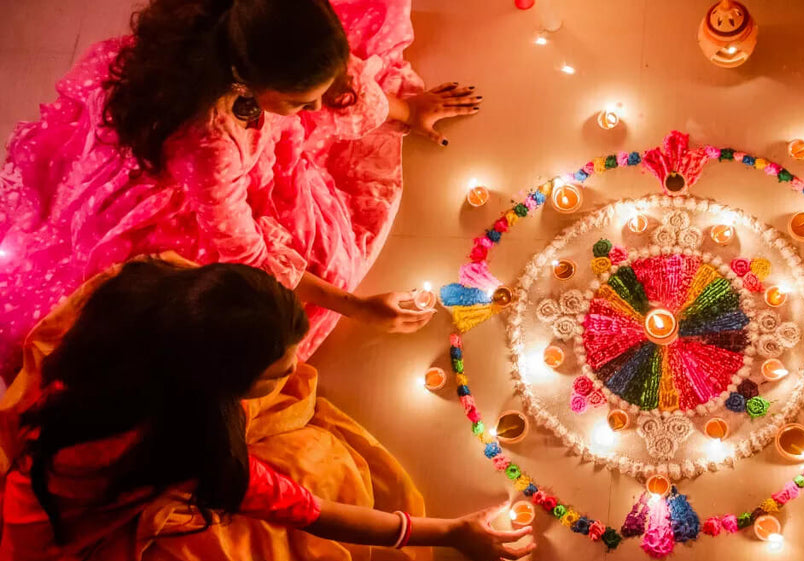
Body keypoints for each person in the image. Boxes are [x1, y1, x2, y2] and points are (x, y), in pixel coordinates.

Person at [0, 0, 479, 385]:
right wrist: (356, 306)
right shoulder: (209, 144)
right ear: (243, 82)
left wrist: (406, 111)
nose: (316, 110)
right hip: (190, 197)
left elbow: (340, 82)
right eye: (298, 101)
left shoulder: (263, 30)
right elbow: (249, 253)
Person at [0, 257, 534, 561]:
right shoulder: (186, 445)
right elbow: (313, 513)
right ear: (214, 388)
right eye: (276, 369)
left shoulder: (159, 291)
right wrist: (452, 533)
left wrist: (361, 305)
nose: (297, 369)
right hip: (59, 539)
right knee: (325, 466)